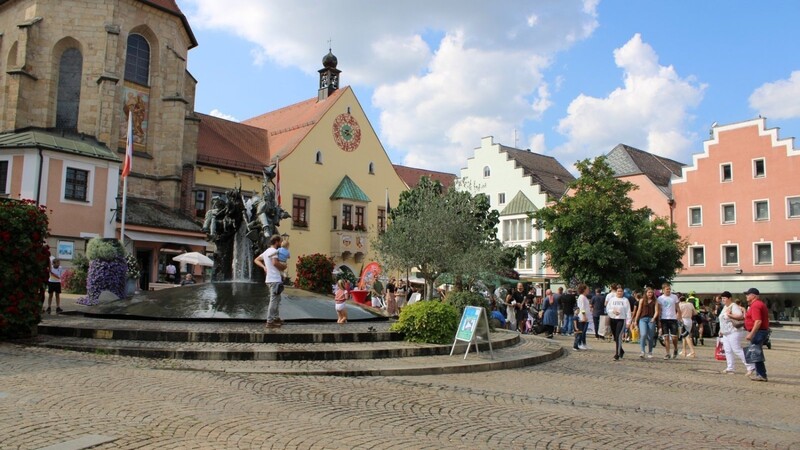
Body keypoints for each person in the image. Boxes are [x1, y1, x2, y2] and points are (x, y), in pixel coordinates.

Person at [254, 234, 287, 328]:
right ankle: (270, 321)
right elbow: (275, 263)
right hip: (274, 279)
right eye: (280, 241)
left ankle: (276, 318)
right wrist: (284, 267)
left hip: (269, 279)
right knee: (273, 300)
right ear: (276, 242)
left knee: (277, 299)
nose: (281, 243)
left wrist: (264, 267)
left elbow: (256, 260)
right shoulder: (274, 251)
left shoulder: (266, 251)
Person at [718, 291, 754, 375]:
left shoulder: (733, 306)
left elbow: (740, 316)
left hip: (734, 331)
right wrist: (721, 330)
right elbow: (722, 320)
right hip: (726, 332)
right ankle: (730, 367)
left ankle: (750, 366)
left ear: (730, 298)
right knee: (727, 350)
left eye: (725, 298)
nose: (723, 300)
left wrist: (729, 315)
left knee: (737, 349)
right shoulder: (725, 307)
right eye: (722, 298)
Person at [744, 288, 770, 382]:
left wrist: (751, 333)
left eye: (748, 294)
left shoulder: (756, 305)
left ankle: (761, 375)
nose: (746, 296)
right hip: (760, 331)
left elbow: (758, 321)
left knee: (756, 353)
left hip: (758, 332)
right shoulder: (757, 304)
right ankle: (760, 374)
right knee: (756, 353)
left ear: (754, 296)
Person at [657, 282, 682, 359]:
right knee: (666, 337)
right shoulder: (660, 298)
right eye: (667, 289)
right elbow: (659, 310)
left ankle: (675, 348)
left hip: (673, 318)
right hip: (664, 319)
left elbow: (678, 308)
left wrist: (679, 316)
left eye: (669, 289)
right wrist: (658, 320)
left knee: (674, 337)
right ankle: (667, 353)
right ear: (663, 290)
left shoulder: (674, 297)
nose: (668, 290)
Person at [607, 286, 632, 360]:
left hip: (621, 320)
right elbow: (608, 309)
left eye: (621, 291)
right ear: (616, 292)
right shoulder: (612, 300)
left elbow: (628, 311)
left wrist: (628, 322)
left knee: (618, 336)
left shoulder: (625, 300)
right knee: (615, 337)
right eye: (618, 291)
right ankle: (621, 350)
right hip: (613, 319)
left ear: (623, 292)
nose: (619, 293)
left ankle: (617, 354)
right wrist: (613, 311)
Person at [633, 287, 659, 359]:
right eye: (648, 292)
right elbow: (639, 310)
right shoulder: (642, 300)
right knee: (643, 334)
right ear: (646, 293)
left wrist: (654, 318)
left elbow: (657, 311)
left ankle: (650, 351)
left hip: (651, 319)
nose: (650, 294)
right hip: (643, 319)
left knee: (650, 337)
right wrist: (636, 320)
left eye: (651, 292)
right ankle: (642, 351)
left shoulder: (655, 301)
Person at [573, 284, 591, 350]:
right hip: (582, 316)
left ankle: (583, 343)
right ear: (584, 290)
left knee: (584, 331)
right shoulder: (582, 297)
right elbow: (582, 307)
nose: (588, 290)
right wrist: (584, 316)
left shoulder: (584, 297)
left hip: (585, 316)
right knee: (582, 331)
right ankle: (580, 343)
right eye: (587, 289)